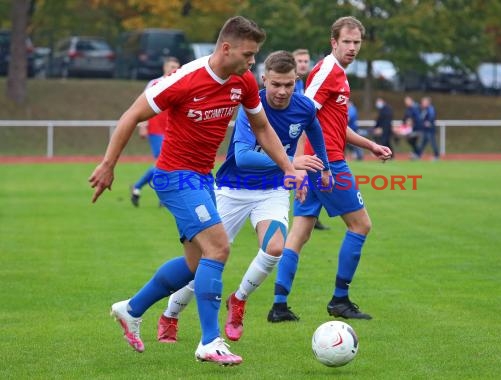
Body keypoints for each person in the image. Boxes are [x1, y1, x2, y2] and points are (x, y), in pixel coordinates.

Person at [88, 16, 304, 366]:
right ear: (226, 48)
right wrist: (109, 163)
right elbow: (131, 115)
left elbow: (262, 127)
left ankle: (131, 309)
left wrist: (289, 167)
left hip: (203, 177)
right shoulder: (185, 79)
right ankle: (209, 341)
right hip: (174, 176)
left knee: (194, 264)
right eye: (248, 55)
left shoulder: (244, 82)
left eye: (255, 56)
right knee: (218, 247)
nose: (252, 63)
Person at [156, 50, 331, 343]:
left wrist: (323, 166)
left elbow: (314, 128)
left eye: (288, 84)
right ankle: (170, 314)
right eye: (276, 84)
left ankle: (238, 300)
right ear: (264, 80)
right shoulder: (252, 105)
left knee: (276, 248)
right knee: (204, 262)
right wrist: (291, 162)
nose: (282, 91)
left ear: (296, 80)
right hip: (232, 190)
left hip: (272, 190)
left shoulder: (304, 107)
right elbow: (244, 157)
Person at [267, 16, 392, 323]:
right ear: (333, 42)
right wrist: (294, 167)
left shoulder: (338, 74)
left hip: (316, 162)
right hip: (327, 165)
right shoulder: (327, 71)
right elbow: (301, 114)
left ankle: (279, 305)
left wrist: (370, 145)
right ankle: (339, 299)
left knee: (299, 233)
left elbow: (334, 125)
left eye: (356, 42)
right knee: (361, 226)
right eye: (346, 42)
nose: (352, 48)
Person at [130, 57, 181, 207]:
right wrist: (143, 125)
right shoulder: (154, 83)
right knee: (162, 163)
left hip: (174, 130)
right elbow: (142, 106)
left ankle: (150, 192)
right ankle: (140, 187)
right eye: (172, 66)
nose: (174, 69)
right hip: (156, 128)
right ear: (164, 67)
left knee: (169, 164)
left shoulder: (181, 84)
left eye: (177, 67)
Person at [292, 48, 330, 231]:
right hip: (289, 138)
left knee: (304, 173)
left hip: (301, 137)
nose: (303, 64)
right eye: (299, 61)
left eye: (306, 61)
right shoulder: (288, 85)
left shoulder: (306, 85)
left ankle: (309, 215)